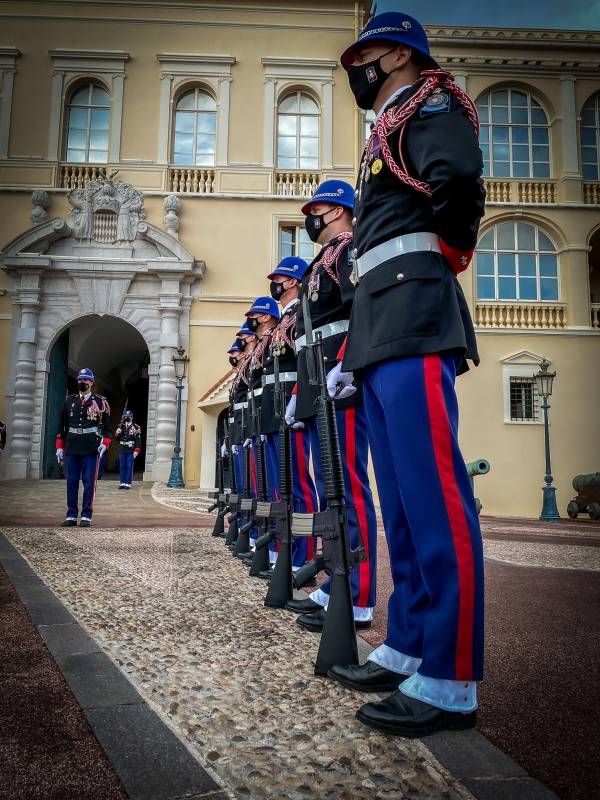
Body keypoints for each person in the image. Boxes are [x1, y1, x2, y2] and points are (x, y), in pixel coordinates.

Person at [327, 11, 486, 738]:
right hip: (381, 322)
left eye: (364, 53)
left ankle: (450, 677)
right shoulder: (386, 122)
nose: (356, 65)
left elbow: (457, 178)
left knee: (435, 499)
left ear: (394, 52)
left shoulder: (431, 101)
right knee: (398, 503)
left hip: (415, 308)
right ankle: (409, 643)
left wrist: (446, 255)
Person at [284, 179, 378, 632]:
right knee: (328, 486)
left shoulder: (346, 251)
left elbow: (358, 306)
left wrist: (347, 363)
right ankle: (336, 579)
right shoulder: (324, 260)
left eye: (316, 210)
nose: (310, 219)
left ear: (338, 211)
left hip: (341, 381)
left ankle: (357, 595)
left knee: (349, 486)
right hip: (319, 385)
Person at [260, 256, 318, 570]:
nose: (275, 284)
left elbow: (301, 363)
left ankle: (303, 555)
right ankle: (287, 548)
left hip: (293, 409)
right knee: (282, 488)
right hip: (276, 411)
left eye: (279, 278)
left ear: (294, 281)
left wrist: (297, 400)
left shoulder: (301, 313)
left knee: (299, 487)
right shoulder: (284, 321)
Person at [244, 296, 280, 568]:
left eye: (255, 315)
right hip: (260, 415)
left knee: (284, 485)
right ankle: (269, 542)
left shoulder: (278, 333)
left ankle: (290, 554)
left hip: (280, 409)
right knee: (261, 486)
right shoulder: (262, 345)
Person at [55, 368, 112, 527]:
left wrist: (104, 444)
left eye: (85, 380)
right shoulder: (69, 401)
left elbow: (107, 430)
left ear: (92, 383)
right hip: (72, 446)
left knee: (89, 482)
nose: (82, 382)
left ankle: (86, 514)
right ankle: (71, 514)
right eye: (80, 380)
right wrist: (59, 446)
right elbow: (62, 426)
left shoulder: (101, 402)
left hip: (91, 447)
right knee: (71, 481)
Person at [115, 410, 141, 489]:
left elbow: (138, 439)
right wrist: (117, 433)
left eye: (128, 417)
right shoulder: (121, 426)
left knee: (129, 466)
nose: (127, 418)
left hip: (130, 449)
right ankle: (122, 482)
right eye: (125, 417)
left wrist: (137, 450)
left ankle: (128, 483)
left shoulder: (135, 427)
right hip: (122, 448)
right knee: (122, 466)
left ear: (132, 418)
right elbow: (117, 438)